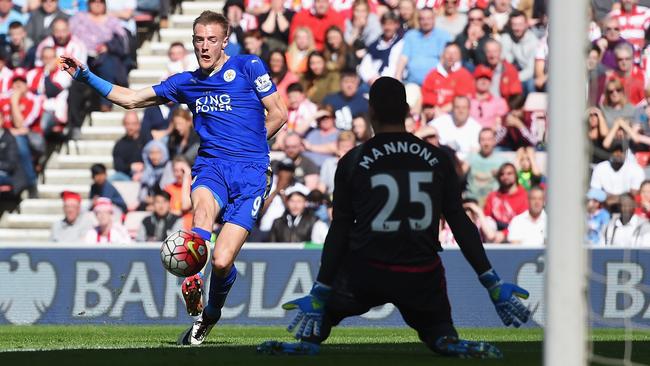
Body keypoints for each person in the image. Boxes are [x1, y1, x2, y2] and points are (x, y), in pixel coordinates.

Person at [59, 10, 288, 345]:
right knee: (203, 212)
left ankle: (209, 315)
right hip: (211, 166)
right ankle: (193, 272)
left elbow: (279, 113)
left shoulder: (248, 66)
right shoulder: (186, 83)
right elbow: (132, 99)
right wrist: (86, 77)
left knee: (223, 262)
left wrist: (251, 145)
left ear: (226, 41)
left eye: (212, 39)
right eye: (199, 39)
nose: (204, 46)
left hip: (252, 173)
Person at [257, 77, 529, 357]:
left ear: (371, 112)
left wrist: (321, 288)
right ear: (407, 111)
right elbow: (460, 223)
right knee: (440, 335)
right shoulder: (438, 159)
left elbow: (339, 229)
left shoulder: (353, 160)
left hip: (366, 268)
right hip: (420, 272)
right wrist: (491, 282)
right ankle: (447, 340)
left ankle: (308, 342)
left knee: (321, 317)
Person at [395, 7, 452, 86]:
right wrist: (397, 82)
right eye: (422, 19)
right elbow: (403, 59)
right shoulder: (410, 35)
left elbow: (445, 60)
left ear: (434, 19)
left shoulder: (443, 36)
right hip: (413, 83)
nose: (426, 22)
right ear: (418, 20)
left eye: (429, 18)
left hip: (436, 83)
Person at [428, 95, 482, 161]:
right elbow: (425, 131)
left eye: (464, 107)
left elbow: (476, 153)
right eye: (457, 107)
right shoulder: (442, 121)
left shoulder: (476, 128)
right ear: (452, 108)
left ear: (469, 109)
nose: (461, 111)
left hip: (464, 165)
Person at [464, 127, 508, 206]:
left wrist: (500, 174)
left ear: (494, 141)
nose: (486, 143)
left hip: (493, 204)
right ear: (479, 142)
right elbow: (458, 174)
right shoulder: (471, 157)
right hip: (471, 203)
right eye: (483, 140)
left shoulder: (502, 162)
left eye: (489, 139)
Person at [483, 162, 529, 235]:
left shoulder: (524, 196)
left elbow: (524, 222)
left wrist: (504, 234)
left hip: (516, 235)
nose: (505, 177)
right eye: (502, 174)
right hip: (494, 235)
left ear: (516, 176)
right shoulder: (492, 196)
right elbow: (486, 218)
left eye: (509, 173)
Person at [111, 111, 148, 182]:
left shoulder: (146, 139)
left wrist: (143, 170)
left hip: (146, 172)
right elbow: (118, 166)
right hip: (127, 176)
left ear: (139, 124)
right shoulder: (119, 144)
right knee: (112, 179)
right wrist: (131, 166)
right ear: (124, 124)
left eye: (133, 124)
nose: (130, 127)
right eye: (127, 124)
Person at [469, 65, 508, 129]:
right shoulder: (467, 101)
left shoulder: (500, 102)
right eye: (480, 78)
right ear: (474, 81)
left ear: (491, 82)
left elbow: (500, 125)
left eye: (487, 78)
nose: (484, 81)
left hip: (491, 136)